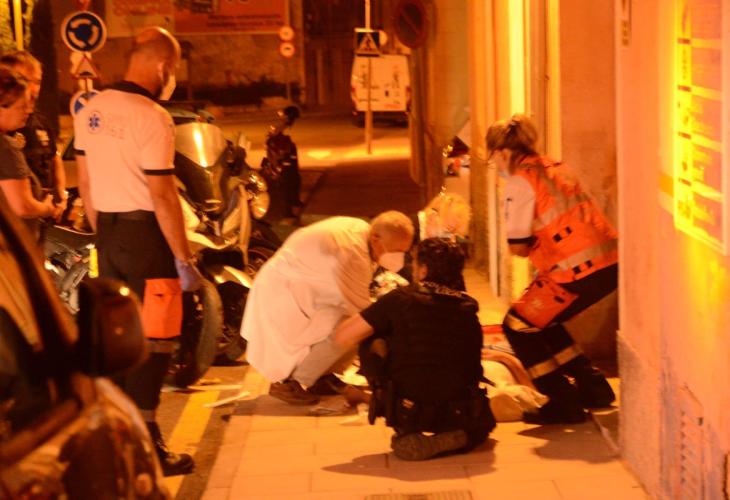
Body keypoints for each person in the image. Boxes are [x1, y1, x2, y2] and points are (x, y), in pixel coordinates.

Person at [73, 27, 201, 476]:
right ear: (163, 67)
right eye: (174, 68)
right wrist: (183, 259)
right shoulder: (153, 116)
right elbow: (162, 195)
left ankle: (118, 438)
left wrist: (105, 235)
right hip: (147, 237)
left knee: (120, 338)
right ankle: (148, 441)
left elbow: (85, 183)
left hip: (108, 234)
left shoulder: (90, 109)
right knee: (158, 339)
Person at [486, 113, 618, 424]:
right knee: (543, 321)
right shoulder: (554, 167)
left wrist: (534, 244)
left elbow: (518, 246)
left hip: (574, 270)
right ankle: (593, 387)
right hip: (606, 263)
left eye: (492, 159)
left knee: (518, 326)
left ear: (502, 152)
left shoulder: (519, 182)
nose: (495, 166)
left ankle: (561, 401)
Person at [334, 238, 495, 460]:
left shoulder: (400, 299)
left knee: (370, 337)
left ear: (424, 270)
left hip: (408, 408)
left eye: (415, 263)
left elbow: (343, 336)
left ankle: (406, 430)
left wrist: (379, 319)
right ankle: (462, 435)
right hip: (460, 408)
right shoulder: (468, 308)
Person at [241, 211, 414, 405]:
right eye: (395, 250)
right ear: (376, 239)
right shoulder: (352, 251)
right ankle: (291, 383)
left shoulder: (362, 232)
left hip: (303, 293)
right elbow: (366, 315)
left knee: (348, 325)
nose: (399, 257)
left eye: (403, 251)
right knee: (353, 329)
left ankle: (319, 376)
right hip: (282, 295)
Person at [0, 51, 67, 214]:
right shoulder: (6, 142)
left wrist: (60, 192)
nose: (34, 88)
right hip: (21, 222)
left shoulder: (40, 122)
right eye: (25, 80)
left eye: (38, 81)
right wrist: (46, 209)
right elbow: (23, 207)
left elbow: (54, 157)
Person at [0, 67, 59, 241]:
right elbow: (23, 206)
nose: (28, 111)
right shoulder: (6, 148)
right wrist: (47, 208)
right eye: (22, 106)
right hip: (13, 245)